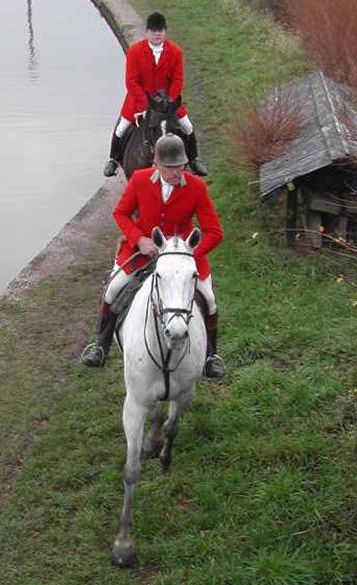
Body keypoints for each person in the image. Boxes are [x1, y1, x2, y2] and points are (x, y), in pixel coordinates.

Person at [82, 133, 225, 378]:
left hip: (184, 258)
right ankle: (101, 345)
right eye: (169, 168)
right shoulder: (138, 180)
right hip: (142, 252)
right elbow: (121, 214)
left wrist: (188, 254)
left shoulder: (197, 188)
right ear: (156, 164)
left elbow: (215, 232)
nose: (175, 173)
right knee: (114, 289)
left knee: (209, 300)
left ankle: (211, 357)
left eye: (180, 166)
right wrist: (139, 239)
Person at [103, 11, 208, 178]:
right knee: (121, 129)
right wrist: (145, 105)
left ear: (165, 32)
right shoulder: (134, 52)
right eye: (153, 31)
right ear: (147, 32)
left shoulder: (176, 52)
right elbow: (131, 81)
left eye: (160, 31)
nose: (157, 34)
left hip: (168, 103)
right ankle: (113, 160)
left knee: (188, 127)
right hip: (139, 101)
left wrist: (171, 101)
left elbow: (178, 80)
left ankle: (194, 159)